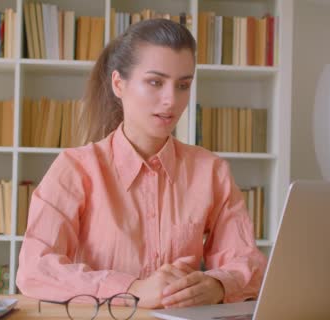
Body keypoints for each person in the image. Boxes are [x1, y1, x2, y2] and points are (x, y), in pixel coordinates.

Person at [16, 18, 267, 310]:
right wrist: (131, 289)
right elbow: (35, 269)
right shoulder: (75, 168)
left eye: (183, 85)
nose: (171, 100)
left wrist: (217, 285)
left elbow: (248, 263)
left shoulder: (211, 171)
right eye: (155, 82)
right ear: (119, 84)